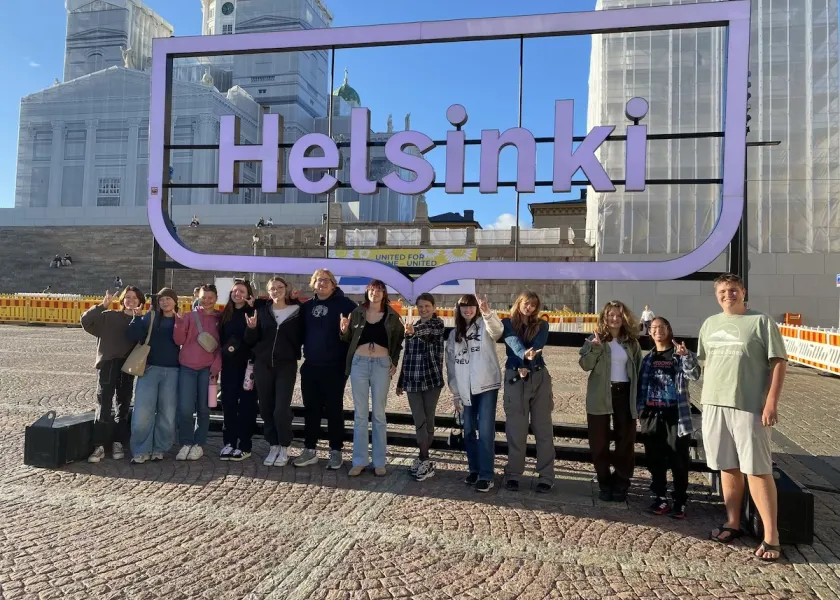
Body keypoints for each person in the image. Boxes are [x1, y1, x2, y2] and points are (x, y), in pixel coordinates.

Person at [699, 273, 787, 562]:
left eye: (733, 290)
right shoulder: (710, 324)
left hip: (748, 405)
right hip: (714, 403)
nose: (728, 295)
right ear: (717, 295)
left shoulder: (761, 322)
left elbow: (778, 362)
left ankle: (771, 536)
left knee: (757, 469)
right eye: (723, 291)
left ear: (743, 291)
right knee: (727, 466)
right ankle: (732, 521)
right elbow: (707, 361)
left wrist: (771, 402)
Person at [294, 269, 358, 469]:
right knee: (311, 409)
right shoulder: (306, 307)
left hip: (335, 367)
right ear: (313, 284)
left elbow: (357, 333)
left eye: (326, 281)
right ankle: (310, 449)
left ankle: (336, 450)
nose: (322, 284)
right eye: (318, 280)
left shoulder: (347, 305)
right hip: (311, 366)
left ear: (333, 284)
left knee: (334, 410)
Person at [579, 300, 642, 502]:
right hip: (600, 394)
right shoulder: (595, 339)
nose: (614, 319)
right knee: (599, 441)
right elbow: (585, 365)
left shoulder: (631, 342)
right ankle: (604, 481)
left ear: (624, 318)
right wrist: (595, 348)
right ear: (604, 317)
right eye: (610, 315)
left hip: (624, 394)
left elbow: (638, 371)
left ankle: (621, 482)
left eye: (618, 315)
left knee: (625, 441)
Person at [637, 316, 700, 518]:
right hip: (652, 414)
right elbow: (641, 387)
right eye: (653, 328)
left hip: (676, 415)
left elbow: (694, 374)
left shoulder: (679, 354)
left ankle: (680, 500)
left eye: (661, 327)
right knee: (655, 459)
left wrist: (686, 356)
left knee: (678, 459)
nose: (657, 331)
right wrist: (642, 411)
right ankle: (660, 497)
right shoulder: (648, 359)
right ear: (649, 333)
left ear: (669, 329)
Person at [341, 280, 404, 477]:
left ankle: (379, 461)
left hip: (381, 365)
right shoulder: (357, 312)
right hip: (359, 364)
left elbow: (398, 341)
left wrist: (393, 360)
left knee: (378, 414)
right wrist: (343, 330)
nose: (375, 294)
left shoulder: (392, 316)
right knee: (360, 415)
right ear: (367, 292)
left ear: (384, 294)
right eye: (372, 290)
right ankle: (359, 460)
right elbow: (347, 339)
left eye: (379, 291)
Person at [445, 294, 503, 493]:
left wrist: (487, 311)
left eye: (471, 306)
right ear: (459, 309)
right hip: (464, 388)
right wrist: (455, 392)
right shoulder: (454, 335)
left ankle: (487, 475)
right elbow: (450, 366)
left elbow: (498, 331)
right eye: (464, 306)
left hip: (486, 385)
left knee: (485, 432)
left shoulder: (484, 325)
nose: (468, 310)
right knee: (468, 430)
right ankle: (474, 469)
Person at [81, 286, 145, 463]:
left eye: (135, 298)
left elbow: (141, 338)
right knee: (104, 402)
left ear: (140, 302)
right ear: (122, 299)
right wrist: (102, 305)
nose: (131, 300)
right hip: (108, 363)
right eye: (128, 297)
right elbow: (86, 321)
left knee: (123, 404)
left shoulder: (140, 320)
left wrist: (138, 318)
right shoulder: (109, 316)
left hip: (127, 365)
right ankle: (99, 445)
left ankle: (118, 442)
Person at [244, 277, 303, 467]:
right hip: (263, 365)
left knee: (281, 409)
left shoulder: (297, 311)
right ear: (268, 292)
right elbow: (251, 340)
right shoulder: (262, 311)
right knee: (266, 407)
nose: (276, 291)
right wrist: (251, 328)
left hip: (286, 365)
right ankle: (273, 445)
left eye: (279, 288)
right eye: (272, 289)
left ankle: (284, 445)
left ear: (286, 290)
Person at [501, 291, 554, 494]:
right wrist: (522, 359)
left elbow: (538, 345)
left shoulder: (542, 325)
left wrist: (528, 360)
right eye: (526, 303)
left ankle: (546, 476)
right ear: (519, 303)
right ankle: (513, 474)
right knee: (516, 429)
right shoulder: (507, 323)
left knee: (543, 429)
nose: (528, 308)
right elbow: (512, 342)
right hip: (515, 378)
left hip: (538, 376)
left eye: (533, 305)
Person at [128, 288, 181, 463]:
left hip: (173, 370)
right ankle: (141, 449)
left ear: (175, 301)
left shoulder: (180, 319)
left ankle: (160, 448)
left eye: (168, 299)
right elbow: (134, 335)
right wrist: (136, 318)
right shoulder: (150, 317)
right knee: (143, 412)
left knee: (167, 413)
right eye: (161, 299)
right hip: (149, 368)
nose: (165, 302)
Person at [396, 293, 445, 482]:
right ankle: (423, 457)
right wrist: (401, 381)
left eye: (427, 306)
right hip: (413, 381)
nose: (424, 309)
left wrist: (413, 332)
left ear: (433, 307)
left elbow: (427, 332)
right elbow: (407, 356)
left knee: (428, 418)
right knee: (419, 419)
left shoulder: (436, 324)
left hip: (431, 379)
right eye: (421, 306)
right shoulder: (413, 327)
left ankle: (424, 458)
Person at [174, 284, 221, 461]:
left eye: (210, 297)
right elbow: (179, 339)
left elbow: (221, 346)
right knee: (185, 408)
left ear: (216, 298)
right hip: (187, 367)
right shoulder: (189, 316)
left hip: (208, 370)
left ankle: (199, 444)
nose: (207, 300)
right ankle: (186, 442)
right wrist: (178, 324)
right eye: (203, 297)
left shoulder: (221, 318)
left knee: (204, 408)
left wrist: (216, 367)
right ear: (197, 296)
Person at [218, 279, 259, 461]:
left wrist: (255, 304)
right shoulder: (225, 314)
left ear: (248, 293)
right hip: (229, 366)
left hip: (248, 366)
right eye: (235, 291)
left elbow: (255, 338)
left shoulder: (254, 311)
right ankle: (229, 442)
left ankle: (244, 444)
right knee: (229, 404)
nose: (237, 294)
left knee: (247, 406)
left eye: (242, 291)